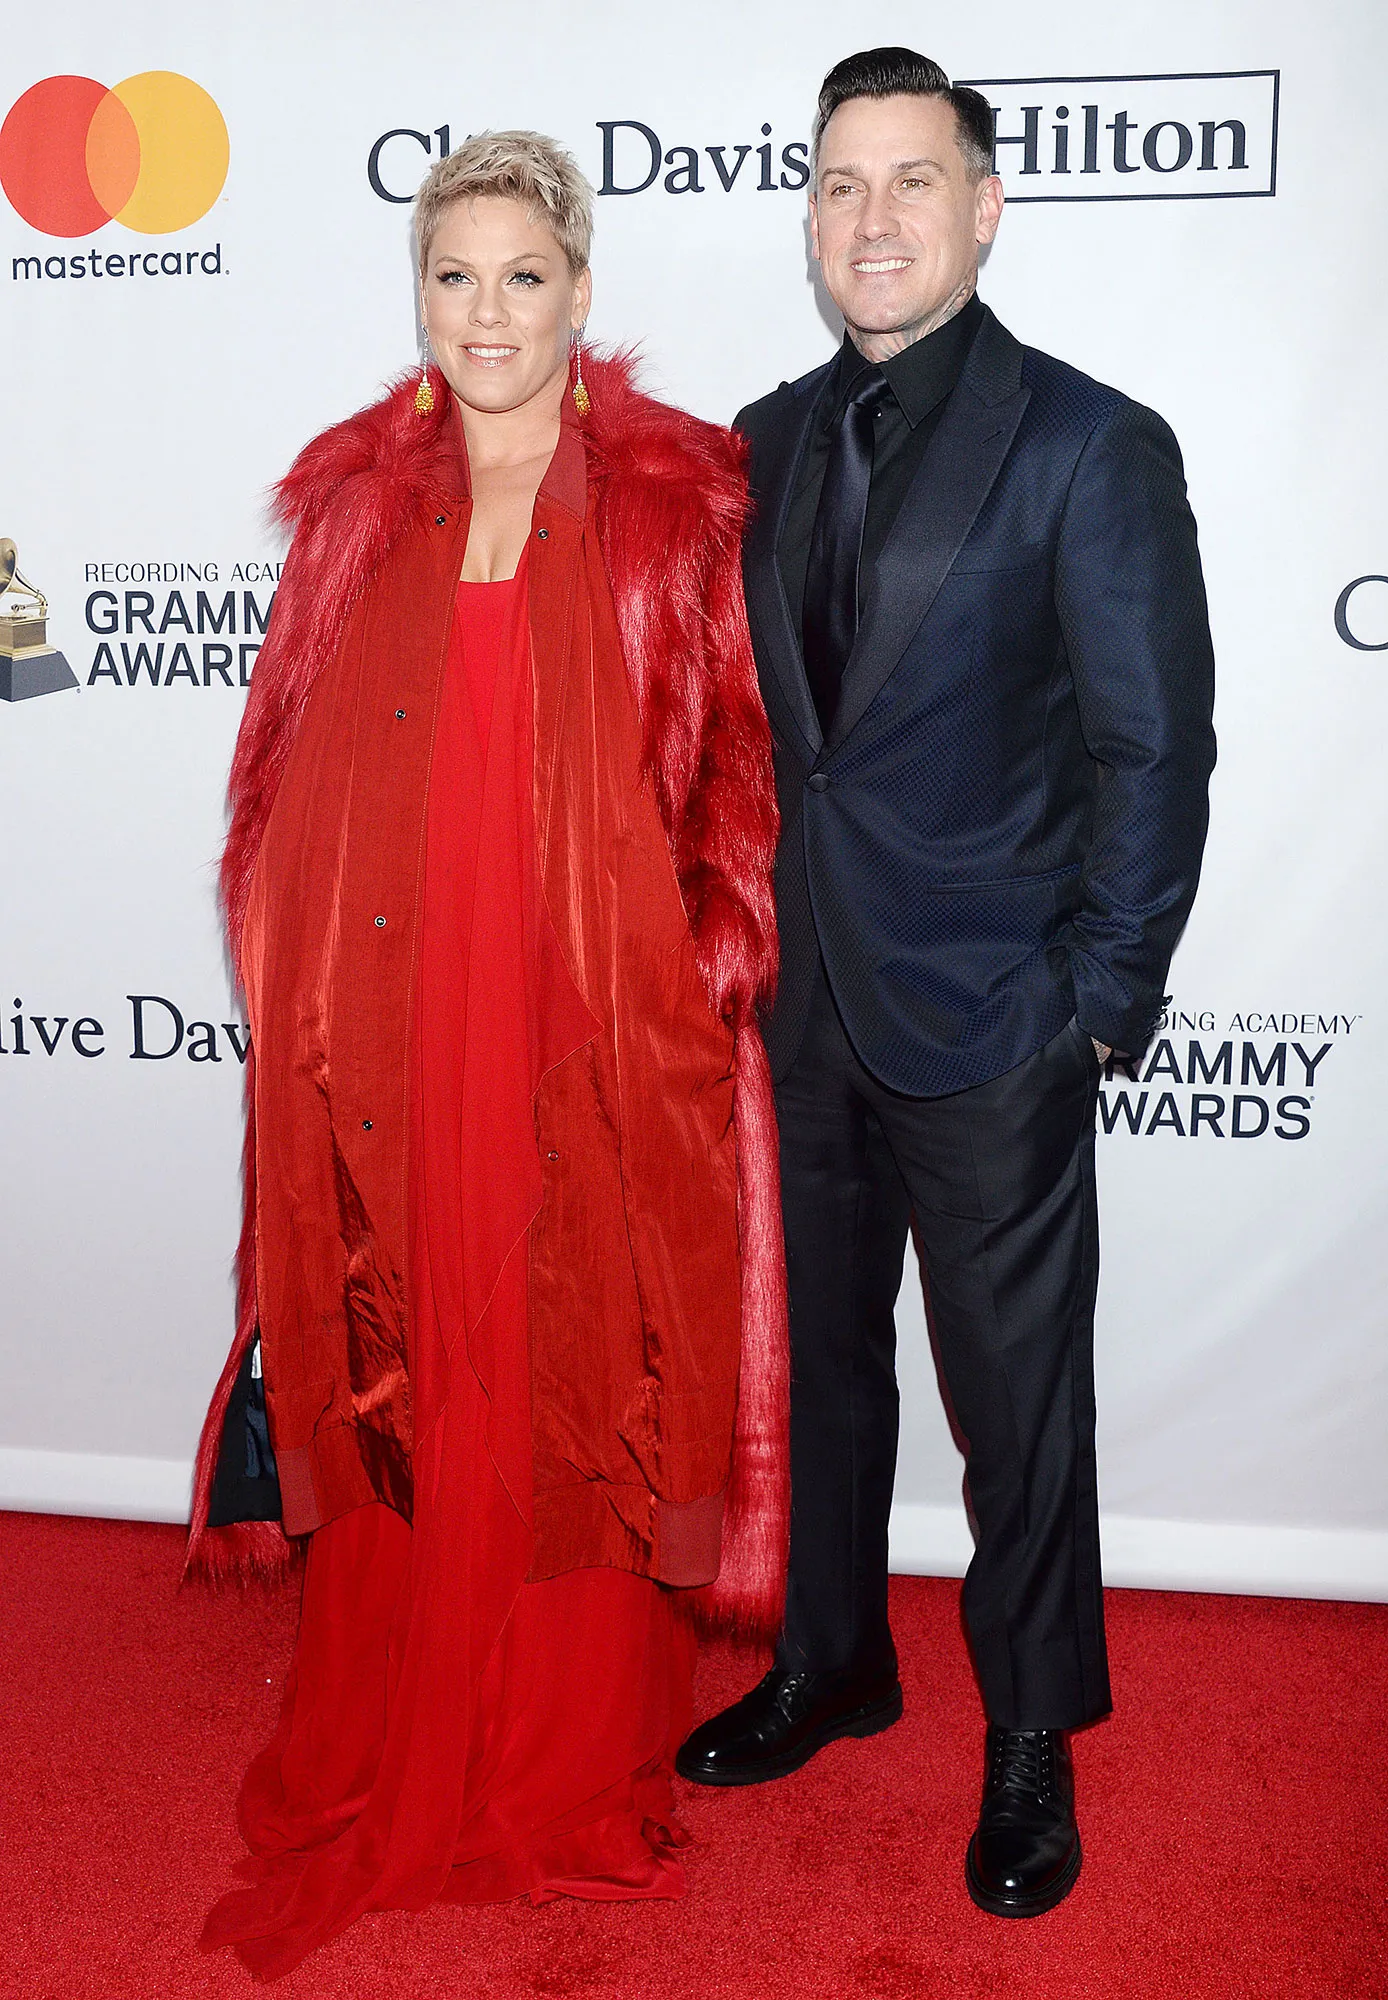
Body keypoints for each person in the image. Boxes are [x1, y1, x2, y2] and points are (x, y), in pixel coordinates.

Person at [187, 130, 788, 1980]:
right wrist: (300, 972)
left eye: (524, 275)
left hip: (587, 1040)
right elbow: (276, 769)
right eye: (454, 276)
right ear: (418, 297)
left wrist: (688, 981)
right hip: (390, 1023)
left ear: (584, 291)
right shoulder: (360, 505)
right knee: (405, 1357)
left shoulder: (680, 510)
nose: (488, 313)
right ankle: (395, 1722)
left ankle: (551, 1752)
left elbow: (739, 792)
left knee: (582, 1368)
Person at [677, 49, 1217, 1920]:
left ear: (987, 208)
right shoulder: (753, 438)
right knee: (817, 1375)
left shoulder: (1090, 444)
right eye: (839, 184)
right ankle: (836, 1657)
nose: (874, 218)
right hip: (800, 1010)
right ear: (809, 219)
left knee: (1018, 1407)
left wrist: (1098, 997)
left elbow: (1157, 755)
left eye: (913, 181)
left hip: (996, 1013)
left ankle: (1030, 1735)